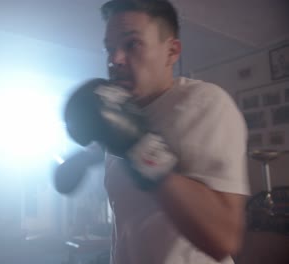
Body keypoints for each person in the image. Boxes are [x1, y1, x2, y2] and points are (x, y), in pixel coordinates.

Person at [57, 0, 250, 263]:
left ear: (172, 51)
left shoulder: (203, 103)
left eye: (132, 44)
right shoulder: (118, 111)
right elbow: (70, 174)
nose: (115, 59)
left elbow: (224, 237)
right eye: (109, 48)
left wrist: (140, 147)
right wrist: (77, 158)